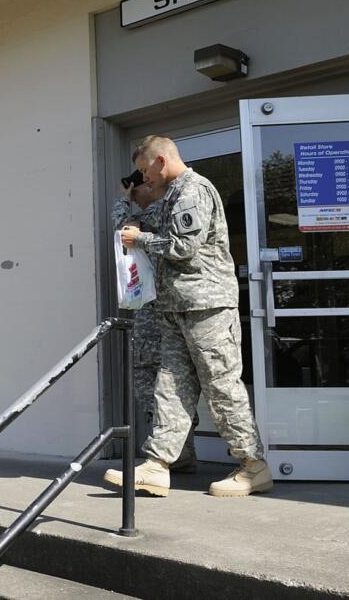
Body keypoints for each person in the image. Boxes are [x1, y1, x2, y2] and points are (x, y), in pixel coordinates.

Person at [105, 135, 272, 498]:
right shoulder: (171, 194)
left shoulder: (194, 191)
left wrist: (140, 240)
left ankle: (253, 466)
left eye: (146, 170)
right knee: (170, 386)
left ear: (161, 161)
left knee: (222, 387)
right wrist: (134, 215)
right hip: (176, 307)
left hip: (207, 307)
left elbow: (183, 247)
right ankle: (157, 465)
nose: (144, 178)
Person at [109, 181, 197, 473]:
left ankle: (176, 453)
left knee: (157, 381)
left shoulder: (160, 210)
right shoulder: (158, 213)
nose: (134, 198)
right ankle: (181, 453)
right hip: (160, 308)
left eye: (136, 191)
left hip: (161, 312)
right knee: (159, 382)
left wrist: (123, 201)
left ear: (147, 187)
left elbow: (123, 228)